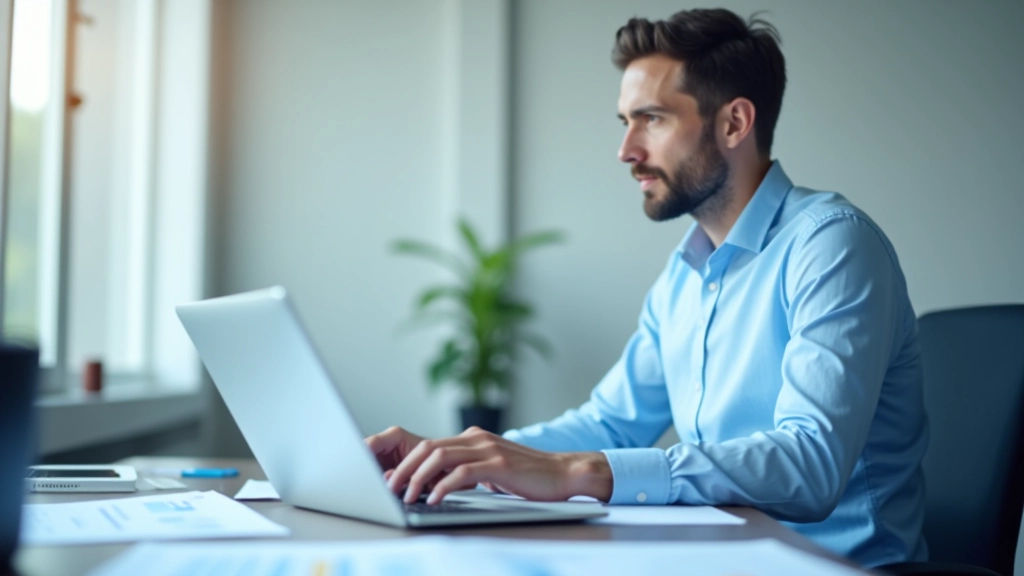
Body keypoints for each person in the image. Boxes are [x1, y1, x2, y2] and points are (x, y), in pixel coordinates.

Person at [366, 8, 927, 568]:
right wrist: (458, 456)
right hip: (725, 560)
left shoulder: (832, 245)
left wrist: (579, 471)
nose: (627, 150)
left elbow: (811, 465)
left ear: (734, 123)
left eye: (651, 119)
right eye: (625, 122)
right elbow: (611, 422)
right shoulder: (684, 273)